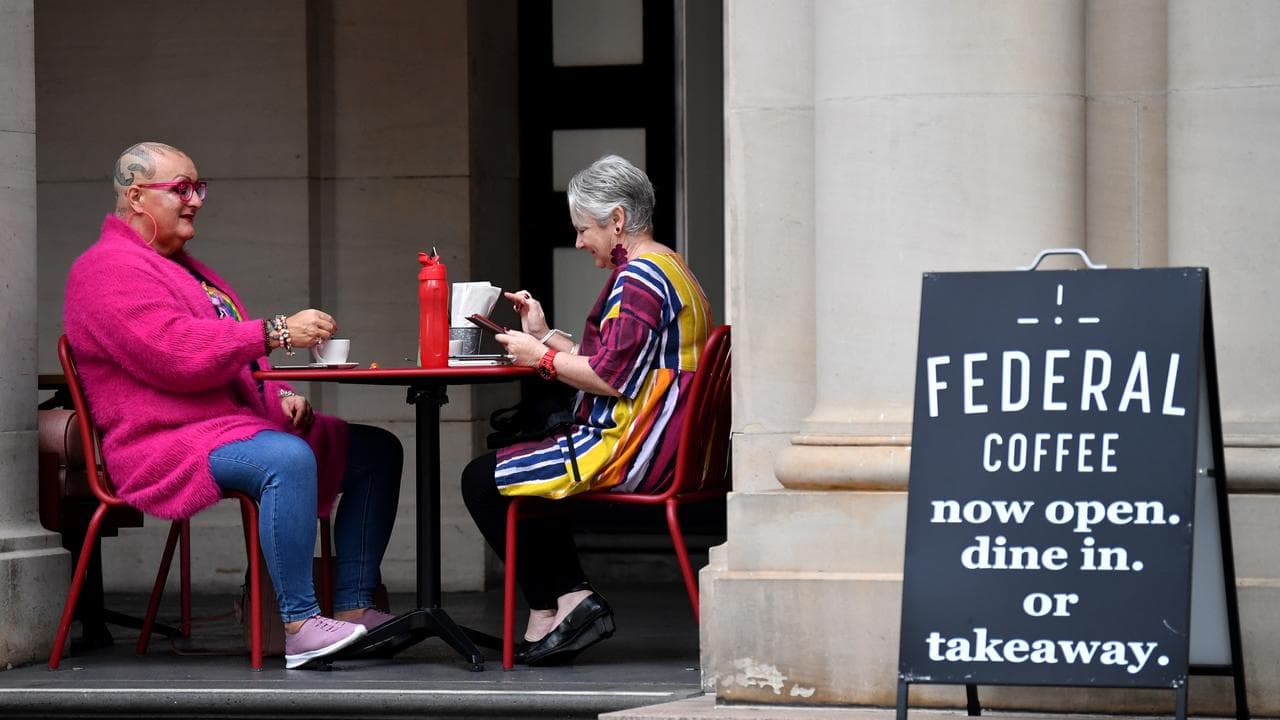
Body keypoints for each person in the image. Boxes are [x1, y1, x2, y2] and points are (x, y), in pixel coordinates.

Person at [63, 142, 402, 669]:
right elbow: (175, 353)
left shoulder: (178, 266)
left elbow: (225, 360)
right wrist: (274, 331)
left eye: (199, 187)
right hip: (162, 441)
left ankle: (355, 605)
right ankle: (300, 624)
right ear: (135, 197)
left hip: (225, 424)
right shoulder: (106, 270)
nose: (195, 200)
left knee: (375, 451)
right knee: (285, 460)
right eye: (181, 189)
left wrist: (280, 395)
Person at [460, 155, 712, 665]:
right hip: (667, 442)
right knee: (519, 460)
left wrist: (543, 359)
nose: (578, 242)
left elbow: (610, 378)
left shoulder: (639, 279)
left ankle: (563, 602)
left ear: (617, 220)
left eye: (583, 229)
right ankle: (563, 607)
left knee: (482, 480)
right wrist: (543, 335)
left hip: (632, 448)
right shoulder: (672, 270)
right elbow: (620, 360)